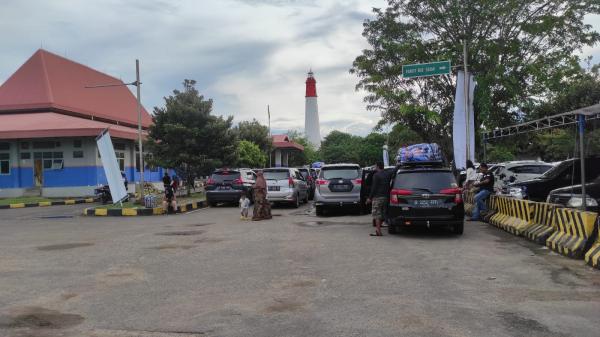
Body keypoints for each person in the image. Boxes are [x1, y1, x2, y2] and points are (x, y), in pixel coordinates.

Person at [367, 162, 391, 236]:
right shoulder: (387, 174)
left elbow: (374, 188)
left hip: (377, 197)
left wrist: (369, 198)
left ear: (377, 166)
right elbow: (395, 170)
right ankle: (383, 225)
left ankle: (378, 231)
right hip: (386, 197)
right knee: (383, 213)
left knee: (377, 215)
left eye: (375, 166)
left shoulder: (376, 175)